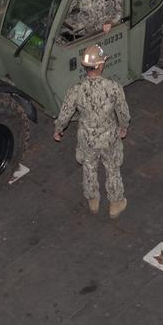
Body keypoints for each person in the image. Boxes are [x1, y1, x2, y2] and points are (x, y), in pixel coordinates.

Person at [54, 44, 130, 217]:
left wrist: (58, 130)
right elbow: (124, 114)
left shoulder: (76, 90)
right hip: (109, 137)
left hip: (86, 139)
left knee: (89, 167)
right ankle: (116, 204)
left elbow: (64, 114)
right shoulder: (114, 88)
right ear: (101, 65)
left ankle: (93, 201)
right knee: (112, 168)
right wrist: (123, 128)